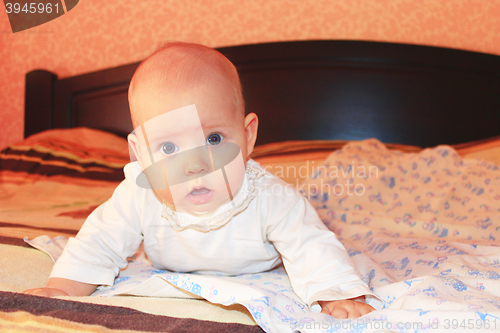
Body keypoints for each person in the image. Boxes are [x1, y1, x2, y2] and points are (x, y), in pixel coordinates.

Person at [24, 42, 380, 319]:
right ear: (139, 153)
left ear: (247, 137)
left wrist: (337, 293)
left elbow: (309, 244)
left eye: (213, 140)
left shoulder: (270, 197)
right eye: (167, 147)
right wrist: (64, 288)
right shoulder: (139, 194)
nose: (194, 165)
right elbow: (99, 241)